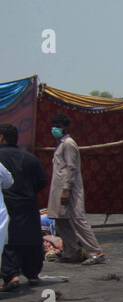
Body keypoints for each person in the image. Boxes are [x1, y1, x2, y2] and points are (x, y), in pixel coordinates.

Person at [47, 113, 106, 264]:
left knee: (77, 219)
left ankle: (96, 252)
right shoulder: (61, 144)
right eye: (54, 126)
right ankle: (72, 252)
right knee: (61, 220)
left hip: (69, 189)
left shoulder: (69, 143)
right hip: (59, 188)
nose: (54, 129)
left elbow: (71, 168)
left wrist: (66, 189)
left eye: (58, 126)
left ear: (65, 127)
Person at [0, 124, 49, 289]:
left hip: (6, 204)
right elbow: (42, 181)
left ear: (2, 137)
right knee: (31, 238)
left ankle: (11, 275)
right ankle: (32, 274)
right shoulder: (29, 157)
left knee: (8, 240)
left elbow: (7, 181)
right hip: (28, 203)